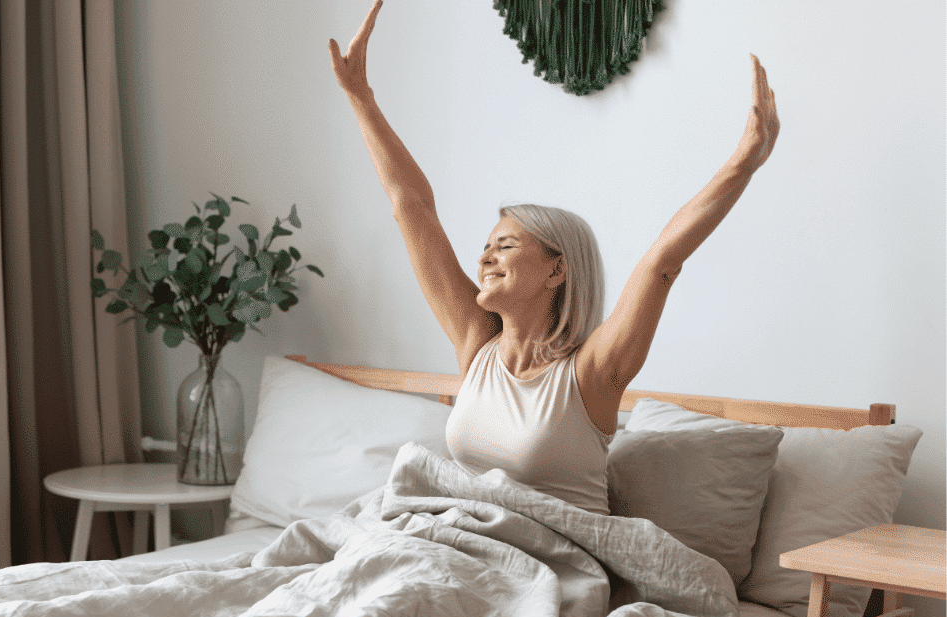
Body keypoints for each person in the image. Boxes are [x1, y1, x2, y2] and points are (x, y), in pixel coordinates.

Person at [329, 0, 779, 514]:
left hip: (550, 551)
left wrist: (744, 162)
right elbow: (412, 208)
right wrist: (361, 99)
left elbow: (661, 262)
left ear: (556, 269)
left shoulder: (591, 373)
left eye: (505, 245)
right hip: (461, 537)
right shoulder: (477, 347)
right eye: (486, 247)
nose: (485, 258)